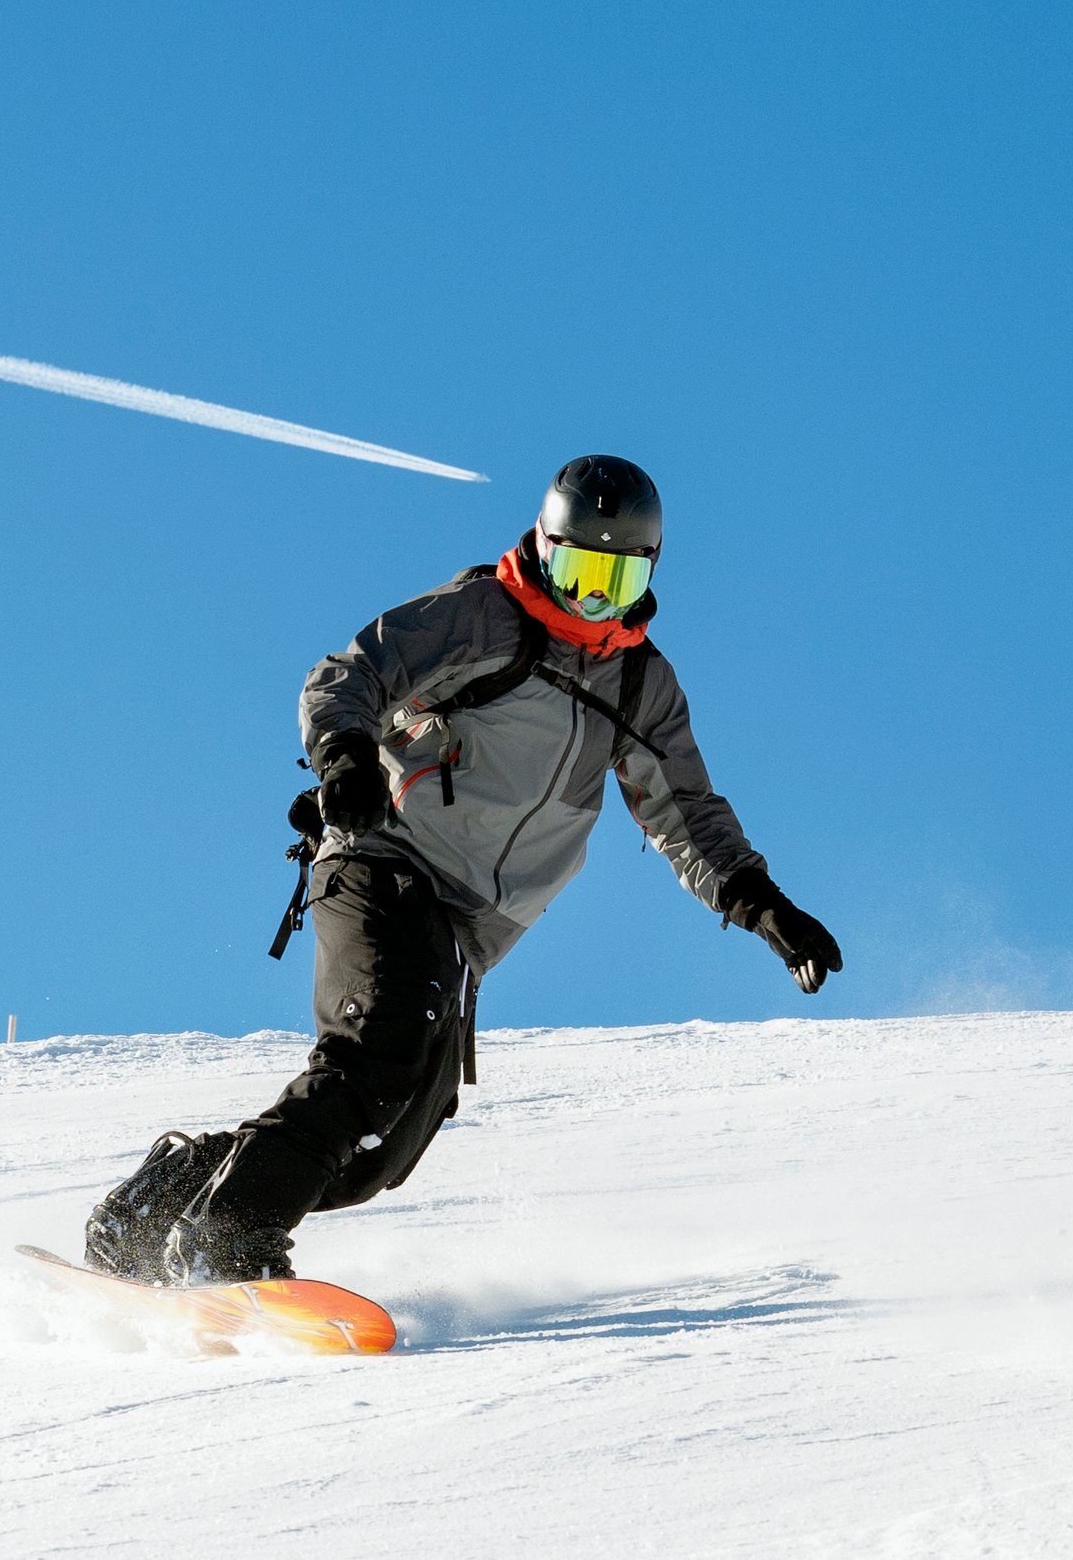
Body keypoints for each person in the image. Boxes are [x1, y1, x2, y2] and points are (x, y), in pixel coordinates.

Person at [82, 454, 841, 1285]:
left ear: (648, 574)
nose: (591, 602)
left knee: (382, 1147)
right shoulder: (482, 617)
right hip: (385, 861)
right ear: (543, 549)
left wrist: (763, 903)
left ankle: (156, 1207)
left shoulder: (641, 686)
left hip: (465, 929)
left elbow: (686, 813)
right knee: (375, 1056)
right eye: (577, 574)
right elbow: (348, 676)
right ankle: (227, 1233)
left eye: (614, 581)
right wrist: (346, 760)